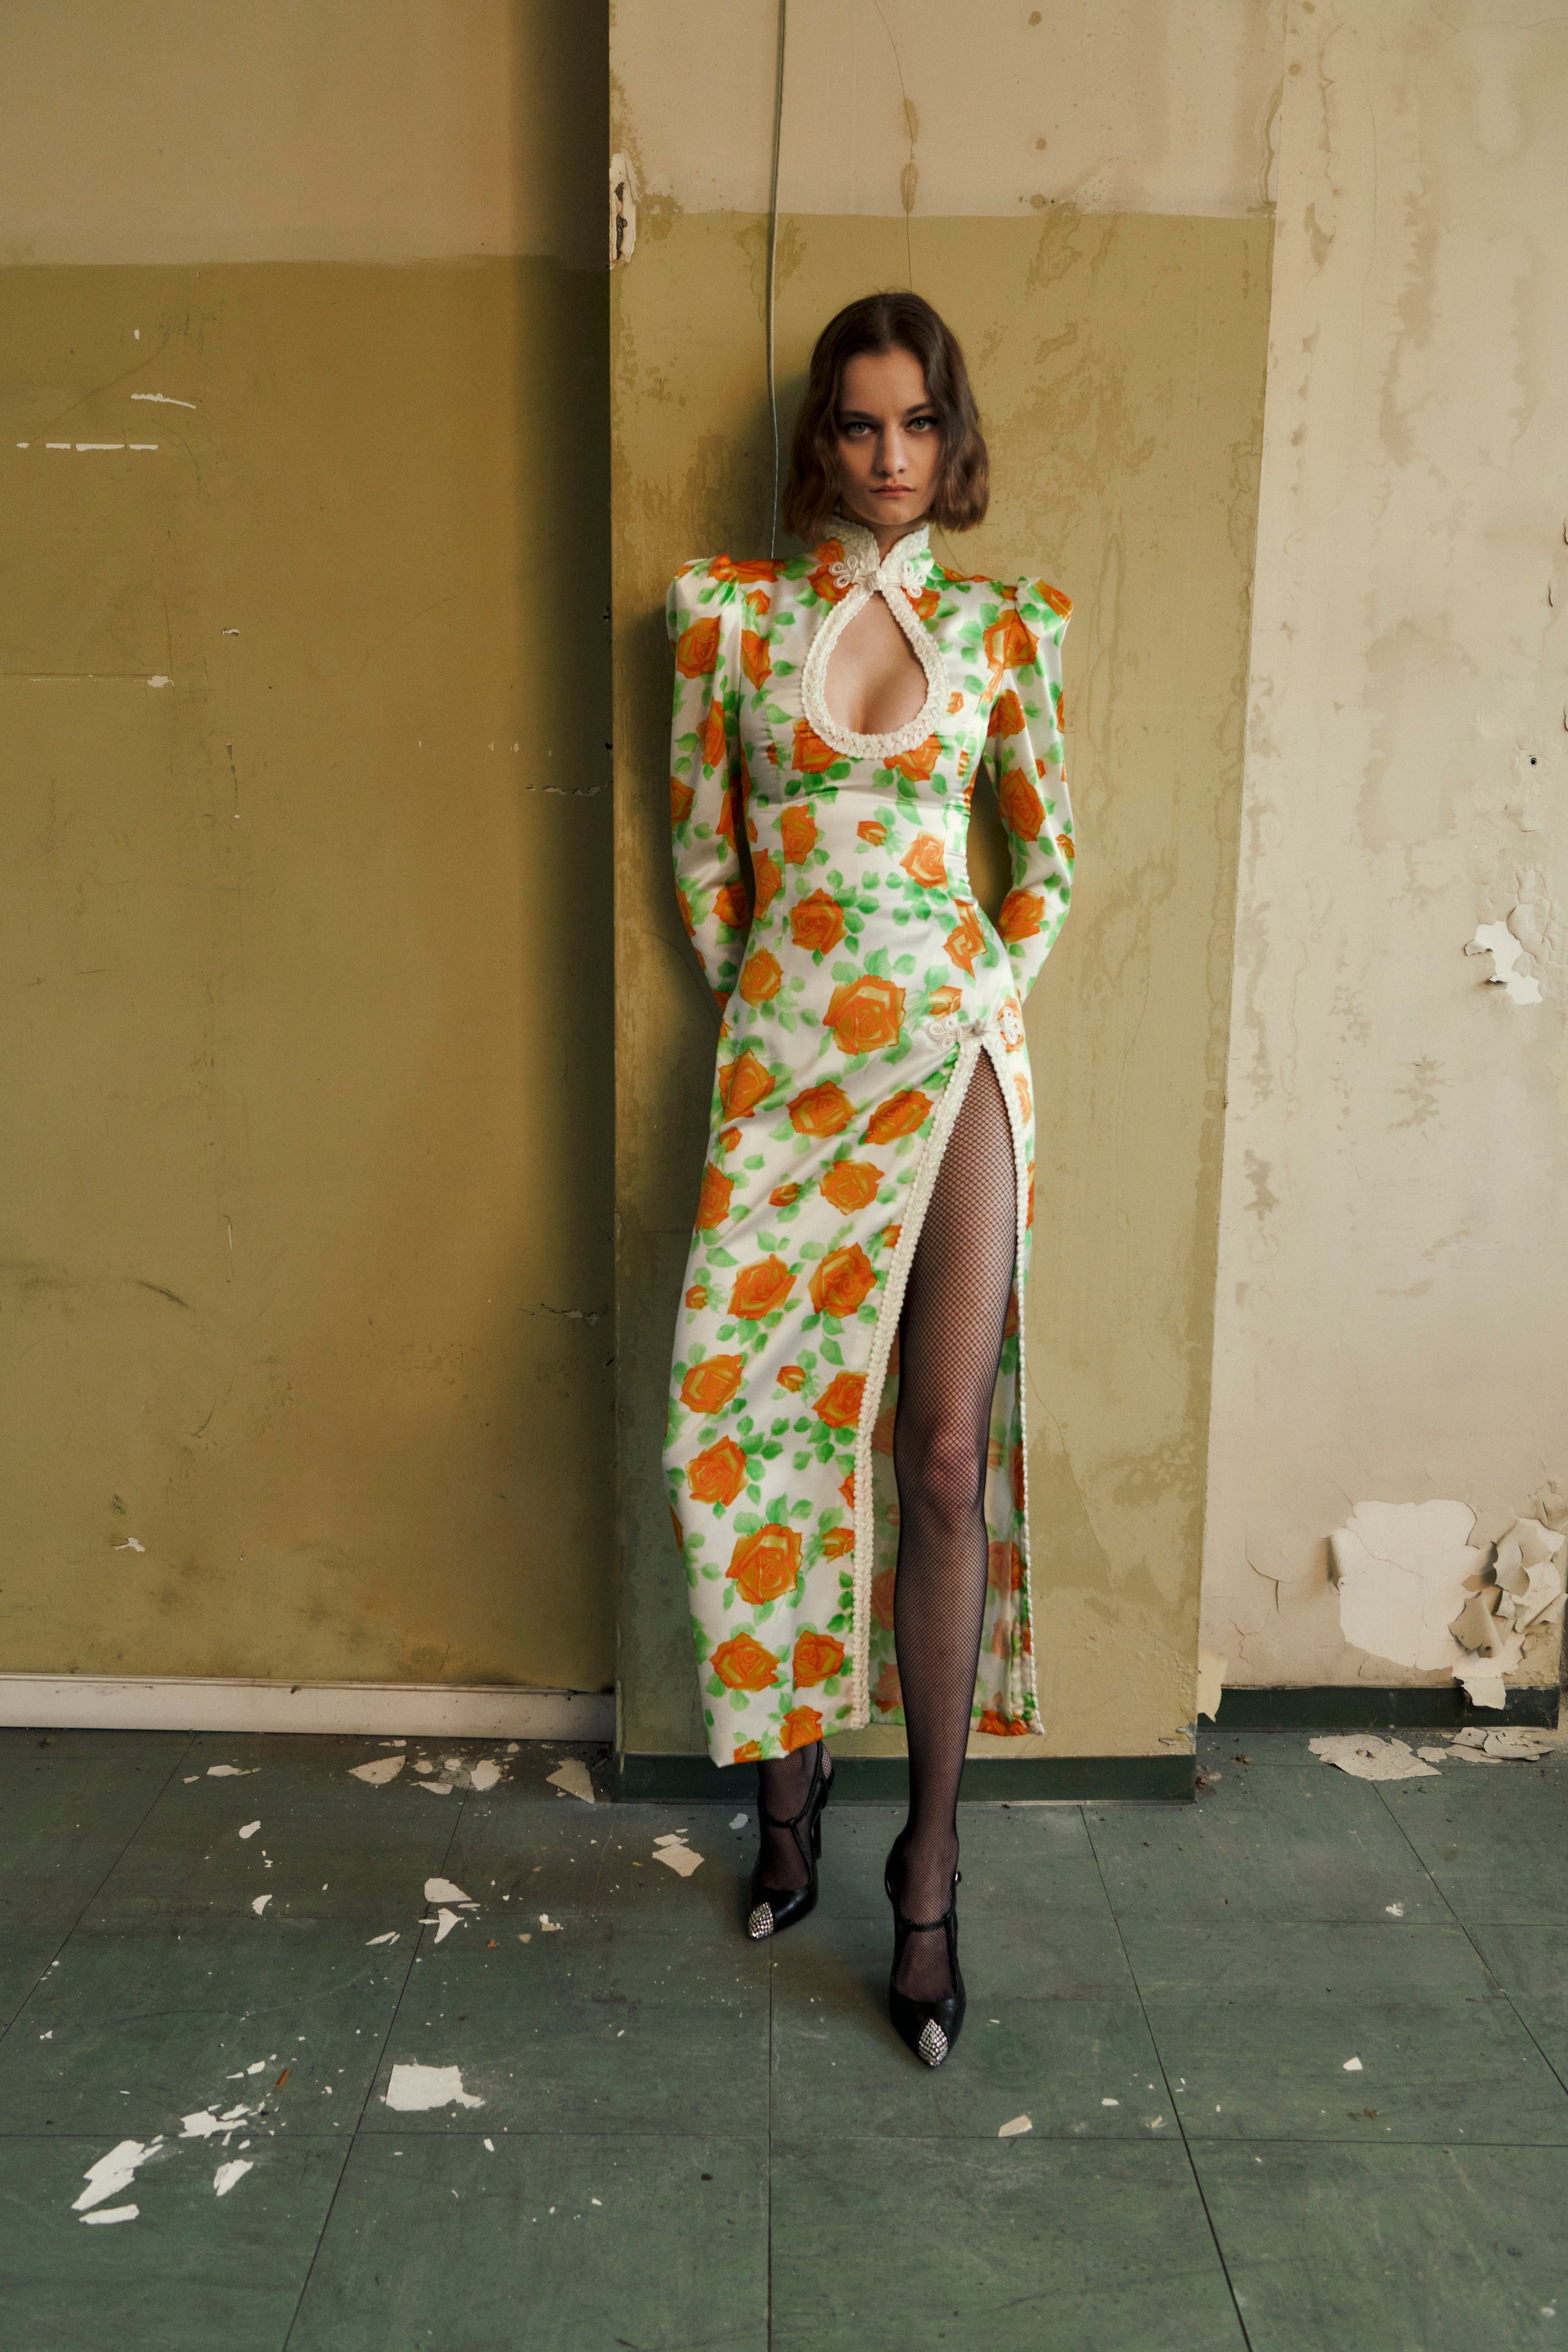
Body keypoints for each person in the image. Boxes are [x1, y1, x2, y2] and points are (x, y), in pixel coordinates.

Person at [662, 290, 1073, 2066]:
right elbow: (709, 866)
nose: (889, 455)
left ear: (950, 437)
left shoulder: (1003, 626)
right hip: (786, 1074)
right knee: (747, 1428)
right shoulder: (728, 621)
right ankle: (789, 1789)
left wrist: (974, 986)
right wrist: (782, 1005)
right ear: (821, 439)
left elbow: (1047, 858)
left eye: (916, 423)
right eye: (858, 422)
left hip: (958, 1063)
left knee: (942, 1457)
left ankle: (929, 1869)